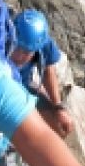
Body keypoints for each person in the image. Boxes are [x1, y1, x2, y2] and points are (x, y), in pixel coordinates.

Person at [9, 10, 74, 139]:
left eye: (26, 52)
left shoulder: (42, 42)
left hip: (22, 88)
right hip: (0, 91)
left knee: (59, 126)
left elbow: (48, 69)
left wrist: (58, 107)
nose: (19, 56)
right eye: (16, 47)